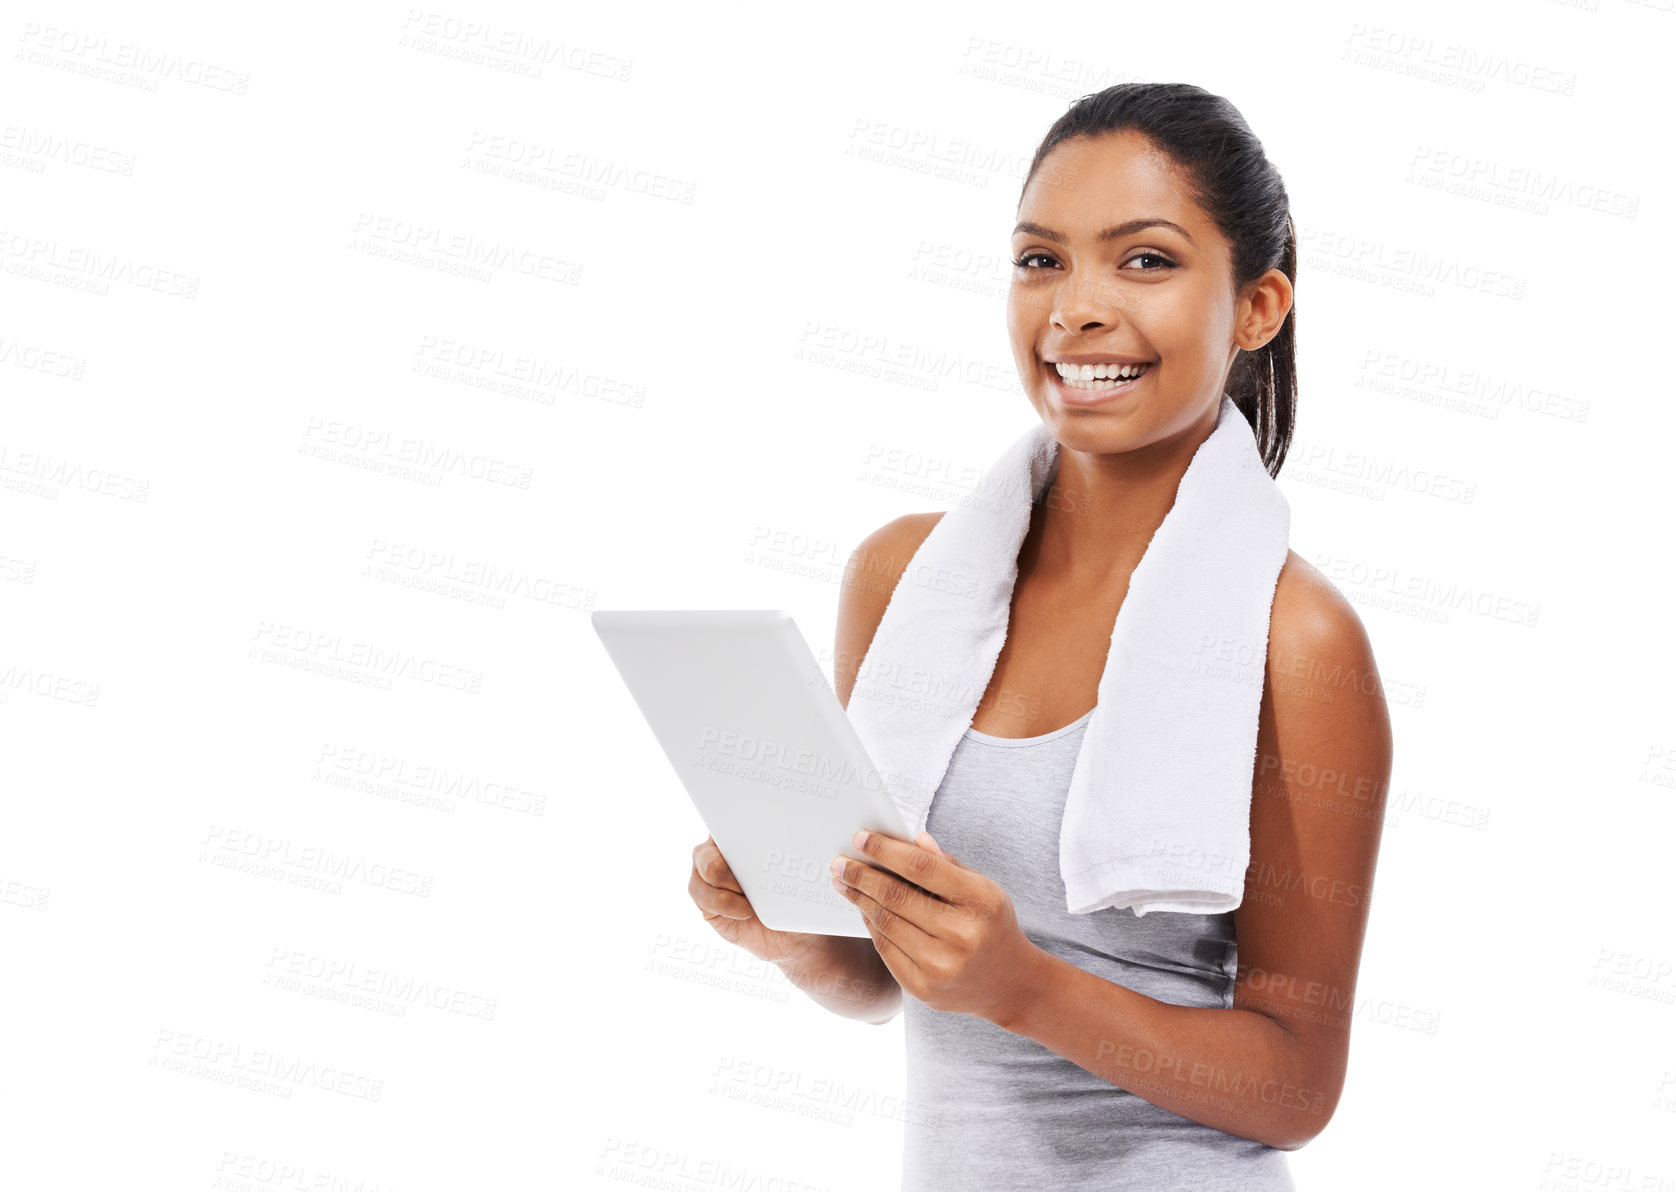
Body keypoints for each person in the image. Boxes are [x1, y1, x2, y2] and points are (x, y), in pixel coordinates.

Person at [689, 81, 1391, 1190]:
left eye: (1144, 261)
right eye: (1039, 260)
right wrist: (789, 934)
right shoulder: (904, 580)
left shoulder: (1294, 638)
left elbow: (1297, 1083)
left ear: (1255, 308)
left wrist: (1027, 985)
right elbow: (885, 976)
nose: (1075, 308)